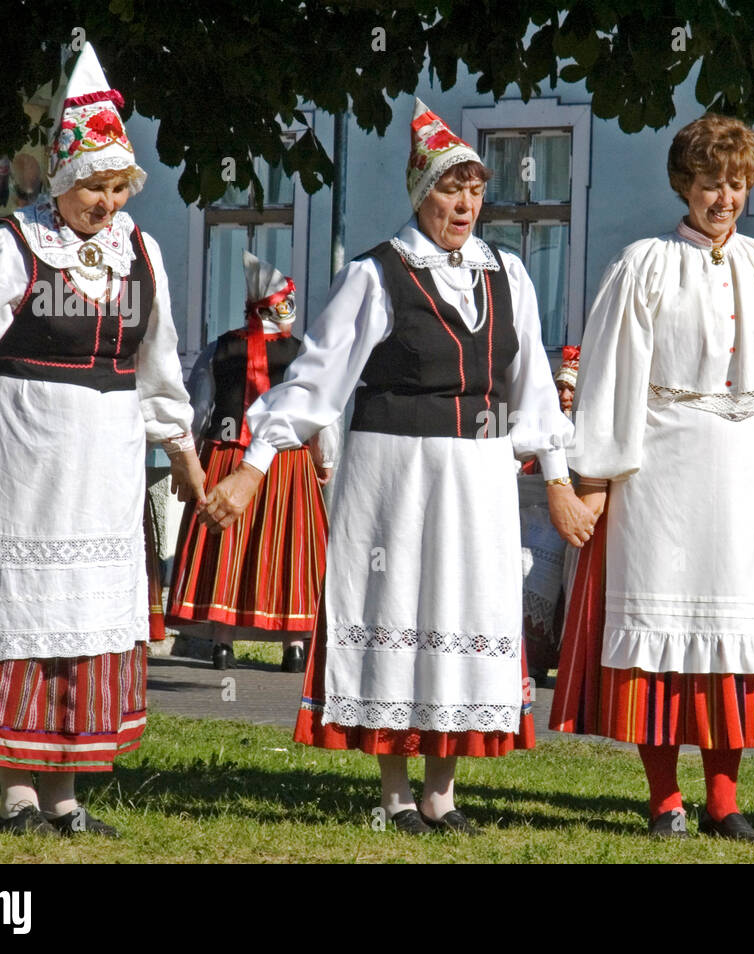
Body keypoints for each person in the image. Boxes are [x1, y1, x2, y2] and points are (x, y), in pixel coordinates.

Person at [201, 99, 589, 834]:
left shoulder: (508, 276)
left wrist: (561, 480)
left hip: (478, 473)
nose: (465, 204)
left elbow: (533, 390)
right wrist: (254, 464)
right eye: (450, 189)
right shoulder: (376, 274)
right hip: (393, 474)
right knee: (396, 608)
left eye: (475, 190)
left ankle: (442, 792)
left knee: (465, 610)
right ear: (422, 195)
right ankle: (395, 795)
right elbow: (318, 379)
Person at [0, 44, 205, 837]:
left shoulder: (142, 253)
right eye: (92, 185)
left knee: (91, 612)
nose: (105, 200)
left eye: (117, 185)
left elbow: (159, 368)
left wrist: (188, 458)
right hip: (27, 446)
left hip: (107, 454)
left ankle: (67, 793)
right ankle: (17, 790)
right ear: (60, 178)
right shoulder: (13, 246)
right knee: (20, 610)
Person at [550, 113, 754, 842]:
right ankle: (665, 797)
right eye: (710, 185)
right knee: (663, 636)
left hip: (740, 469)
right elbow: (609, 374)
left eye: (735, 185)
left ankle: (725, 801)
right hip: (661, 468)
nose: (724, 199)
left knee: (734, 638)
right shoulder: (644, 263)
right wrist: (598, 478)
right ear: (685, 185)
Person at [167, 251, 331, 673]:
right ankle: (293, 647)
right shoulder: (303, 354)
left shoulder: (219, 348)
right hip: (288, 462)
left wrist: (192, 450)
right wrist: (326, 460)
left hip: (226, 456)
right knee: (289, 549)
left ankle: (223, 644)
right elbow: (320, 416)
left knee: (229, 548)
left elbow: (199, 411)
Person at [521, 345, 580, 680]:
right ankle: (529, 655)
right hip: (535, 511)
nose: (565, 395)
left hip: (569, 518)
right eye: (560, 388)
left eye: (572, 388)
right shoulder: (542, 424)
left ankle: (543, 653)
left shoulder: (587, 427)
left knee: (541, 561)